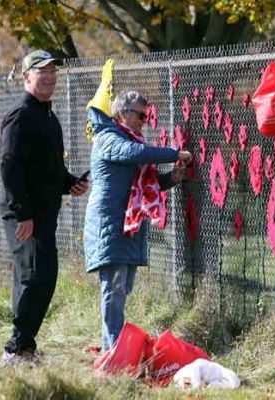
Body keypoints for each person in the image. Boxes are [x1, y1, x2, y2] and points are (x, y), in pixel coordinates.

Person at [0, 49, 89, 365]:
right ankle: (15, 351)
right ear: (26, 77)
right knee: (37, 276)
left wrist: (70, 183)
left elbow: (49, 168)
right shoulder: (21, 114)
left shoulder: (49, 117)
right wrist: (21, 212)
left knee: (36, 277)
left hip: (44, 215)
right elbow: (9, 166)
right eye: (42, 72)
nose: (49, 77)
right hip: (25, 216)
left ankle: (23, 347)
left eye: (53, 72)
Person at [84, 90, 192, 352]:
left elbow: (146, 182)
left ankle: (113, 346)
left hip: (128, 225)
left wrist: (172, 178)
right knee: (114, 288)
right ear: (122, 113)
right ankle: (113, 351)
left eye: (148, 115)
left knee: (123, 288)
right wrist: (174, 153)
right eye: (141, 115)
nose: (145, 120)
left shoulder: (132, 138)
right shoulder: (108, 138)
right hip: (110, 223)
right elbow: (133, 153)